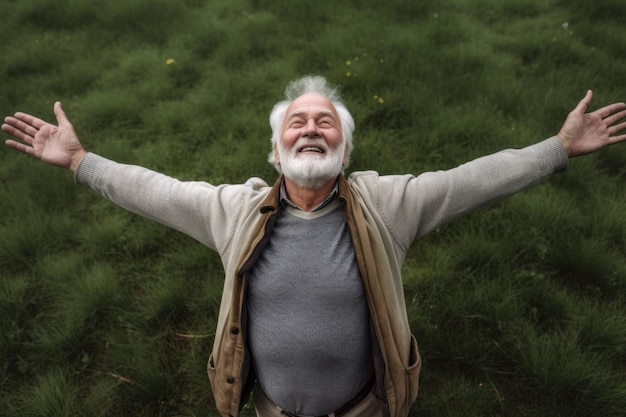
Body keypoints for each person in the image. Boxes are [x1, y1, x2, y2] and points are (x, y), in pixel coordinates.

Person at [3, 76, 626, 417]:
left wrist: (556, 150)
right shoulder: (234, 211)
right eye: (295, 123)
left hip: (367, 408)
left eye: (324, 120)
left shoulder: (388, 206)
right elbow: (154, 190)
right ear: (275, 153)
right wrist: (81, 161)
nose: (309, 127)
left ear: (344, 151)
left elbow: (470, 180)